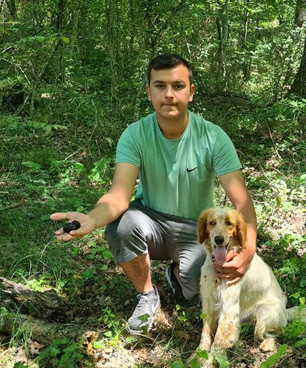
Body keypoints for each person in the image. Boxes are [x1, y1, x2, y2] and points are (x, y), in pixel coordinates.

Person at [50, 53, 258, 334]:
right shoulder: (135, 135)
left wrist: (248, 249)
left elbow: (241, 201)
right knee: (121, 226)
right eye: (160, 86)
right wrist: (92, 219)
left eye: (178, 86)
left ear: (191, 92)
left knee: (194, 294)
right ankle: (147, 294)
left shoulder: (213, 137)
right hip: (151, 222)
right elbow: (119, 195)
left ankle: (177, 275)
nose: (169, 94)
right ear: (149, 92)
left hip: (195, 229)